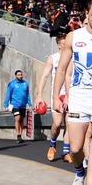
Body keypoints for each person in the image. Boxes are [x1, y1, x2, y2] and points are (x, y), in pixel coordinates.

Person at [53, 0, 92, 185]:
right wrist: (55, 97)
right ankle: (80, 172)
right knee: (76, 148)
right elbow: (61, 69)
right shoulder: (73, 36)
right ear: (86, 14)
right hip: (78, 98)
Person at [36, 31, 72, 163]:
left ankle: (66, 152)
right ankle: (52, 144)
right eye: (63, 43)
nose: (66, 45)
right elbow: (45, 76)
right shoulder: (53, 58)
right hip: (57, 95)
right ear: (59, 45)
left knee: (69, 123)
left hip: (69, 94)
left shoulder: (73, 58)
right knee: (57, 124)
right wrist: (39, 95)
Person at [3, 69, 32, 143]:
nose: (20, 76)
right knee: (17, 118)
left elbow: (27, 94)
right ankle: (18, 135)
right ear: (16, 76)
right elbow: (8, 94)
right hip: (15, 105)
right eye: (19, 75)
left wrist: (30, 104)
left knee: (22, 120)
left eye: (21, 74)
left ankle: (20, 135)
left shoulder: (26, 83)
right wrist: (6, 104)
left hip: (23, 105)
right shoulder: (12, 84)